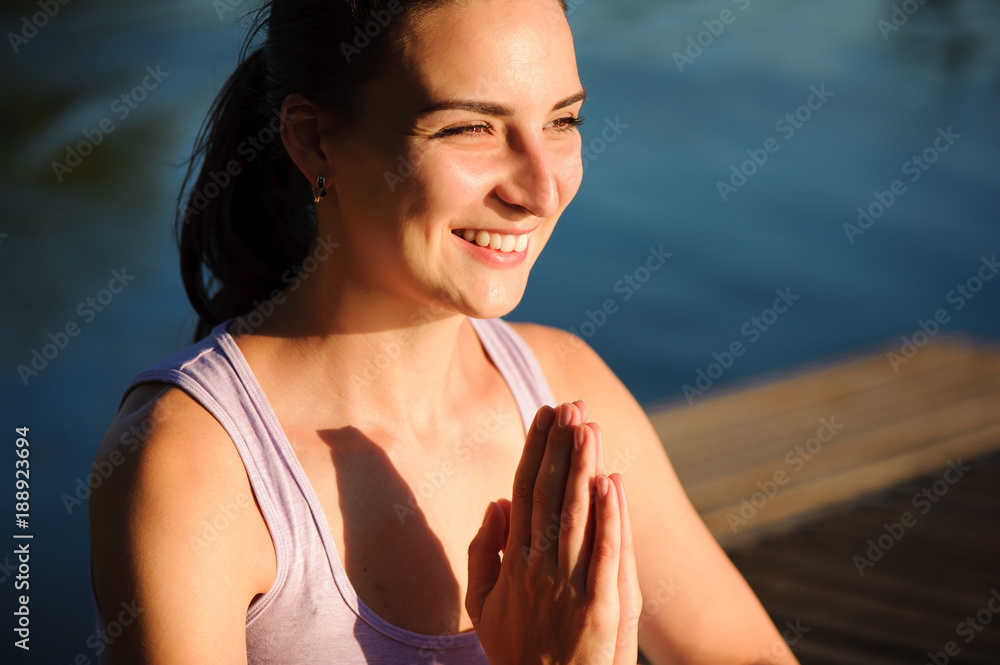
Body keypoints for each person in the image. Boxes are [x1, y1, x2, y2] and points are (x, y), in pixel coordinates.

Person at [89, 0, 799, 662]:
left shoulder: (567, 386)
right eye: (471, 127)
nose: (540, 190)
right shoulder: (191, 463)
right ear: (313, 140)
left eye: (562, 121)